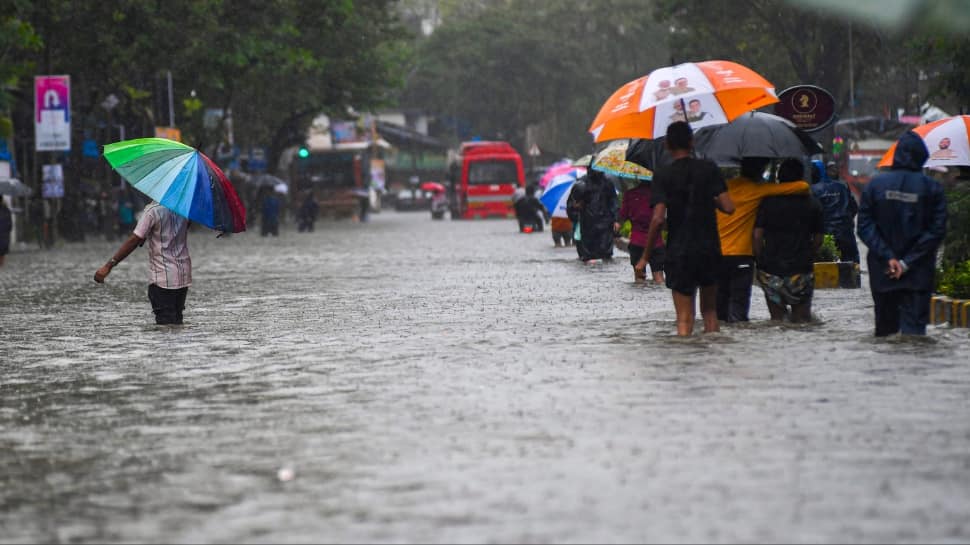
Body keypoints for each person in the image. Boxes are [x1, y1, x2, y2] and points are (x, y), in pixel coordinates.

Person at [636, 121, 736, 336]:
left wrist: (645, 257)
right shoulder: (709, 168)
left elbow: (658, 219)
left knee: (684, 317)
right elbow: (729, 207)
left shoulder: (663, 175)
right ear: (692, 142)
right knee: (710, 312)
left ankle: (685, 355)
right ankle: (713, 353)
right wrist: (706, 196)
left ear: (667, 145)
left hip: (679, 252)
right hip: (709, 249)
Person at [857, 130, 947, 337]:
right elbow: (937, 231)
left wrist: (889, 257)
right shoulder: (932, 188)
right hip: (918, 274)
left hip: (883, 272)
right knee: (914, 335)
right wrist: (907, 262)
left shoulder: (875, 186)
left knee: (885, 334)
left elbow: (864, 226)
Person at [715, 157, 810, 323]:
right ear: (760, 170)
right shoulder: (757, 189)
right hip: (741, 255)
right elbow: (803, 186)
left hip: (716, 255)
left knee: (719, 309)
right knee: (738, 310)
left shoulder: (724, 187)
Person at [94, 202, 192, 325]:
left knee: (165, 326)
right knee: (177, 321)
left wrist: (109, 265)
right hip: (183, 275)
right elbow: (179, 230)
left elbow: (134, 240)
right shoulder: (184, 208)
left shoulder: (152, 210)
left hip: (163, 278)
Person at [753, 158, 825, 323]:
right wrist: (810, 255)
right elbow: (818, 239)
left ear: (779, 177)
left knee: (777, 321)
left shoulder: (767, 202)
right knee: (801, 321)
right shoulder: (813, 204)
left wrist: (760, 260)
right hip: (801, 268)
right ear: (801, 177)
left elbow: (757, 236)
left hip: (771, 269)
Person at [811, 160, 860, 263]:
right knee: (851, 263)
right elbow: (854, 207)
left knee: (824, 264)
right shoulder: (842, 186)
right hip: (845, 231)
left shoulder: (813, 190)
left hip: (825, 234)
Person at [615, 181, 665, 283]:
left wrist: (618, 224)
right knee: (659, 278)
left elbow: (623, 215)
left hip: (637, 241)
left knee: (639, 279)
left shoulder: (630, 194)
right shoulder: (659, 195)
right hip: (656, 242)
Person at [573, 170, 618, 261]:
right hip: (588, 222)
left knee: (605, 251)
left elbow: (613, 201)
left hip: (605, 221)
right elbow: (573, 202)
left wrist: (616, 219)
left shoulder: (607, 183)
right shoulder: (582, 182)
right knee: (589, 252)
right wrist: (577, 206)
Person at [0, 198, 12, 267]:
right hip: (4, 233)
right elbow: (9, 223)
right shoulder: (6, 210)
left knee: (2, 249)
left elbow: (9, 223)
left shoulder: (6, 210)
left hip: (3, 232)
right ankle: (1, 263)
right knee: (2, 249)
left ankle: (1, 262)